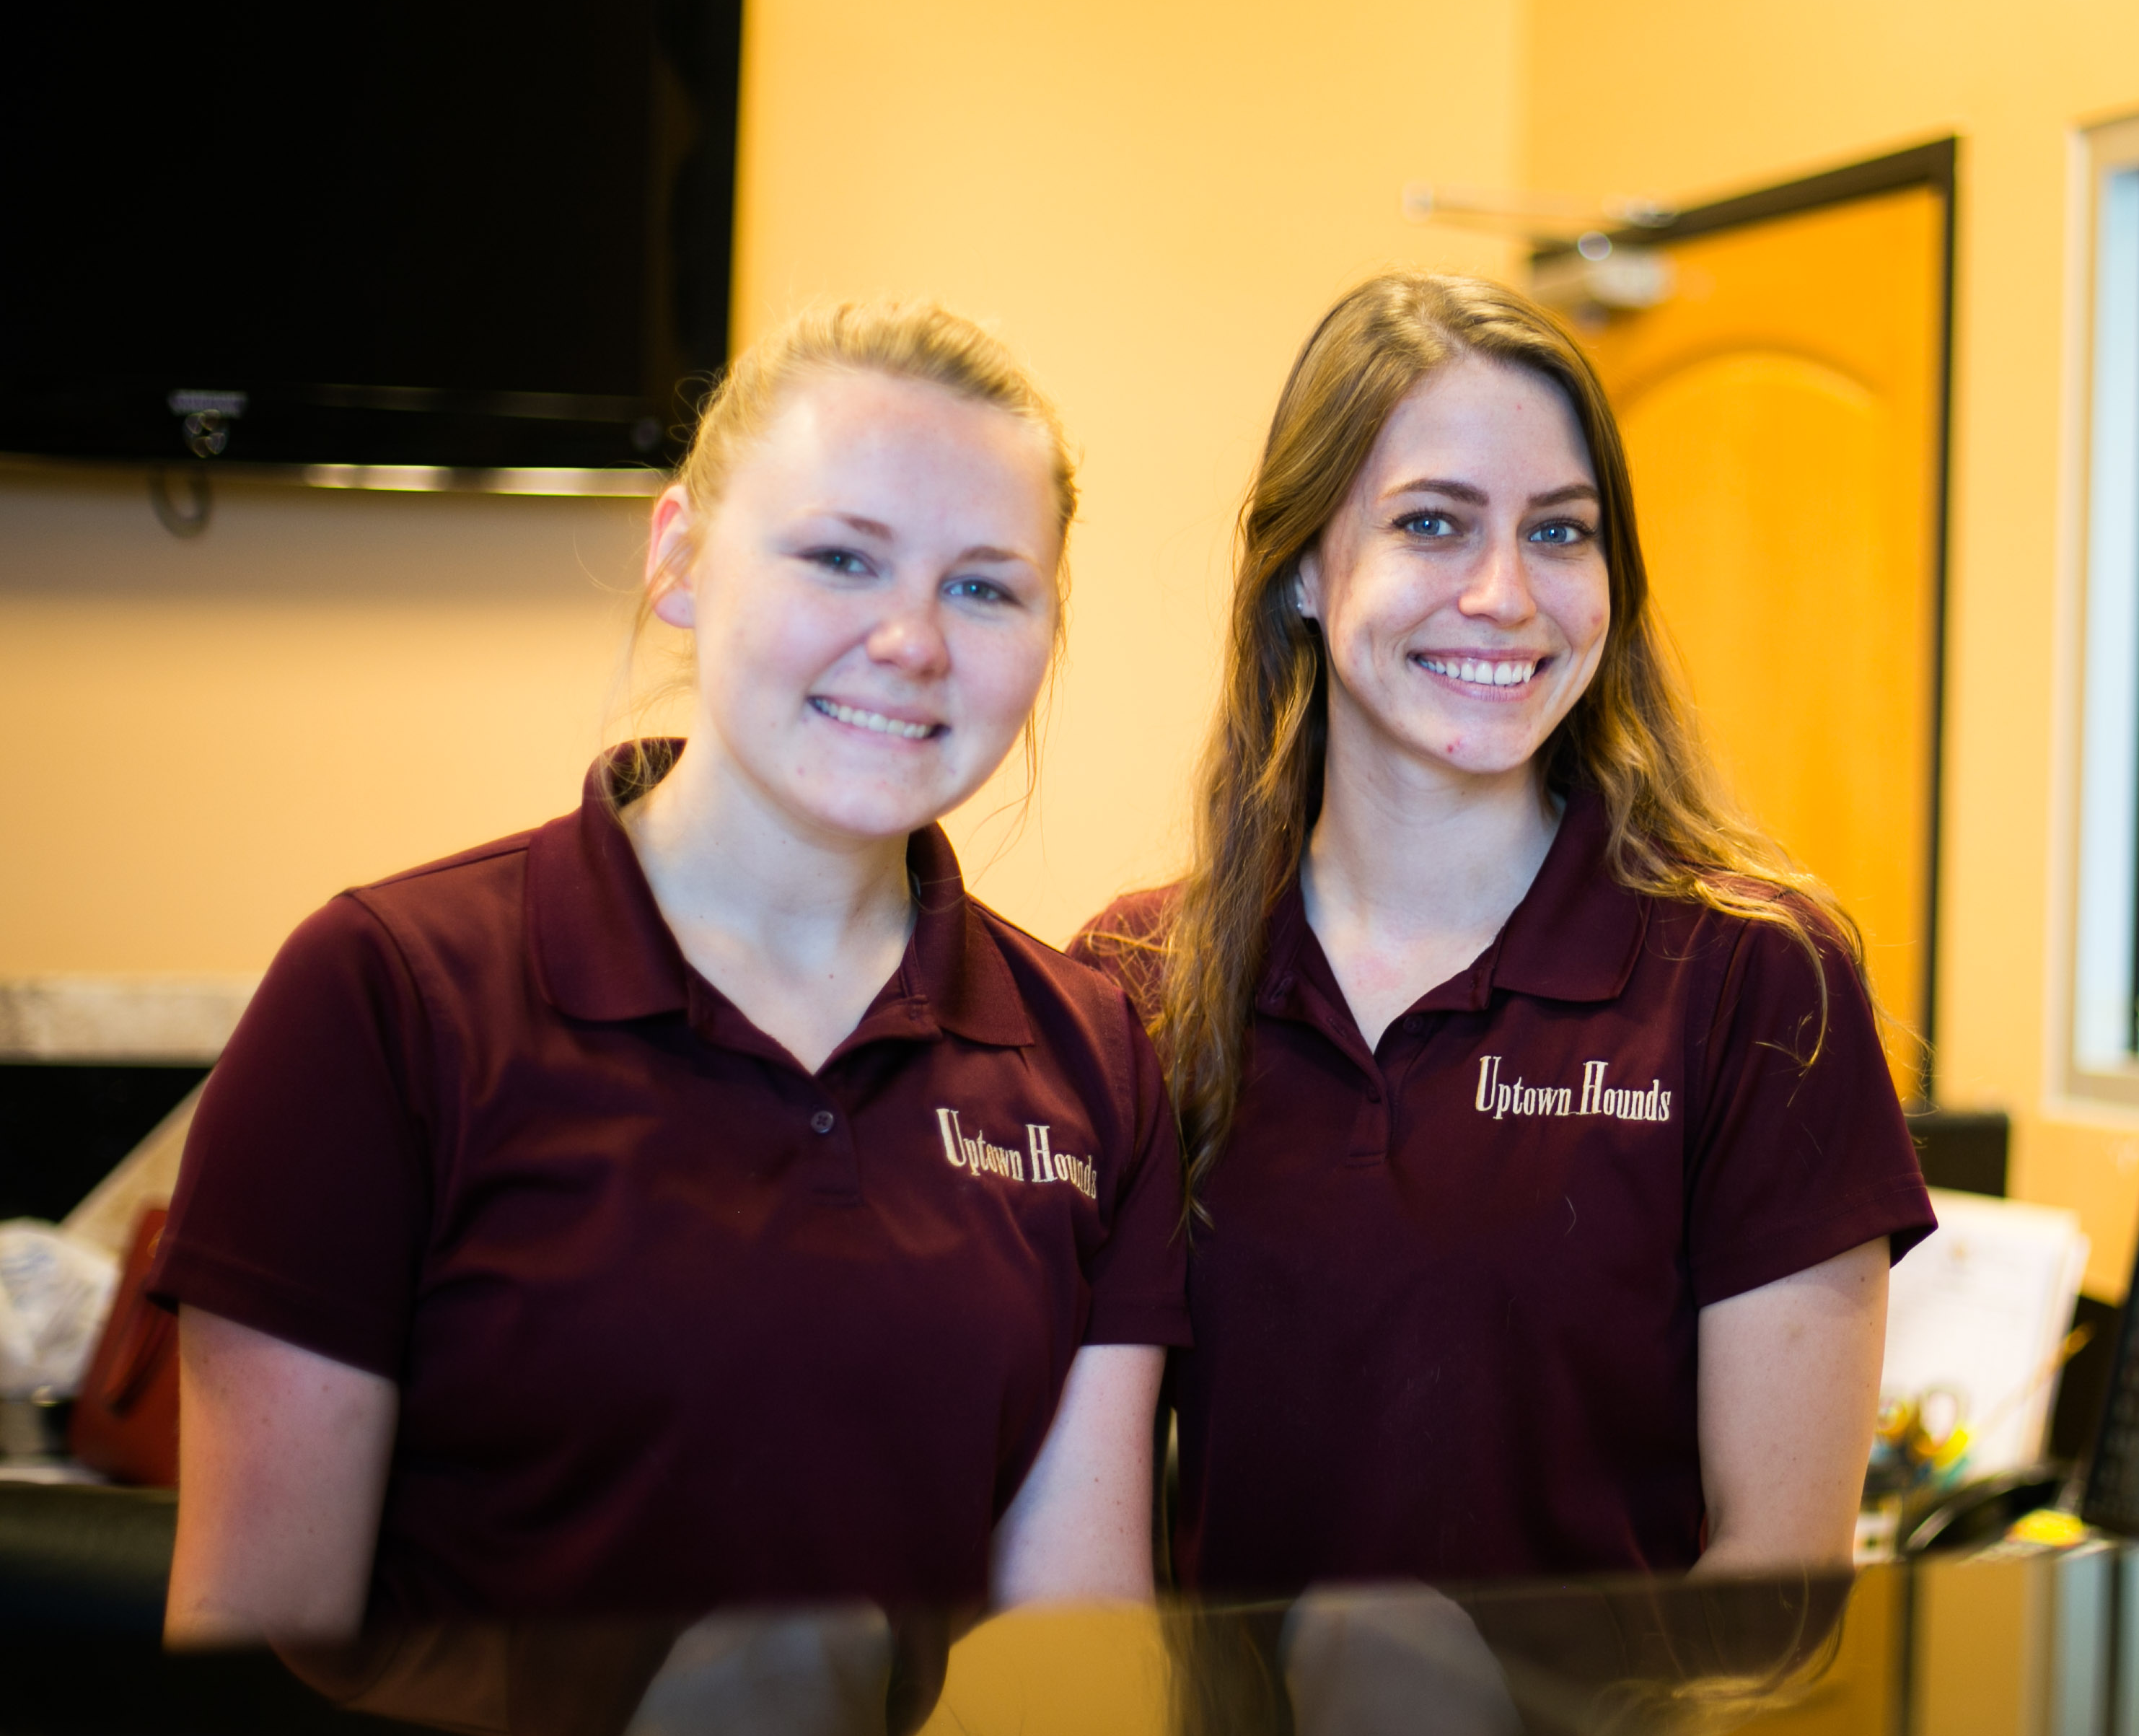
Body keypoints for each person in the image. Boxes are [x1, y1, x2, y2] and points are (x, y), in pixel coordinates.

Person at [155, 300, 1186, 1641]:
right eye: (841, 558)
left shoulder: (1093, 1058)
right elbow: (258, 1672)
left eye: (984, 587)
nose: (913, 641)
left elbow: (1070, 1666)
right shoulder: (386, 995)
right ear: (681, 558)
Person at [1081, 271, 1931, 1597]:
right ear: (1301, 566)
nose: (1504, 594)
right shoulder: (1139, 984)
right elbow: (1091, 1568)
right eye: (1433, 523)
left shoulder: (1757, 980)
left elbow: (1776, 1589)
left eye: (1559, 532)